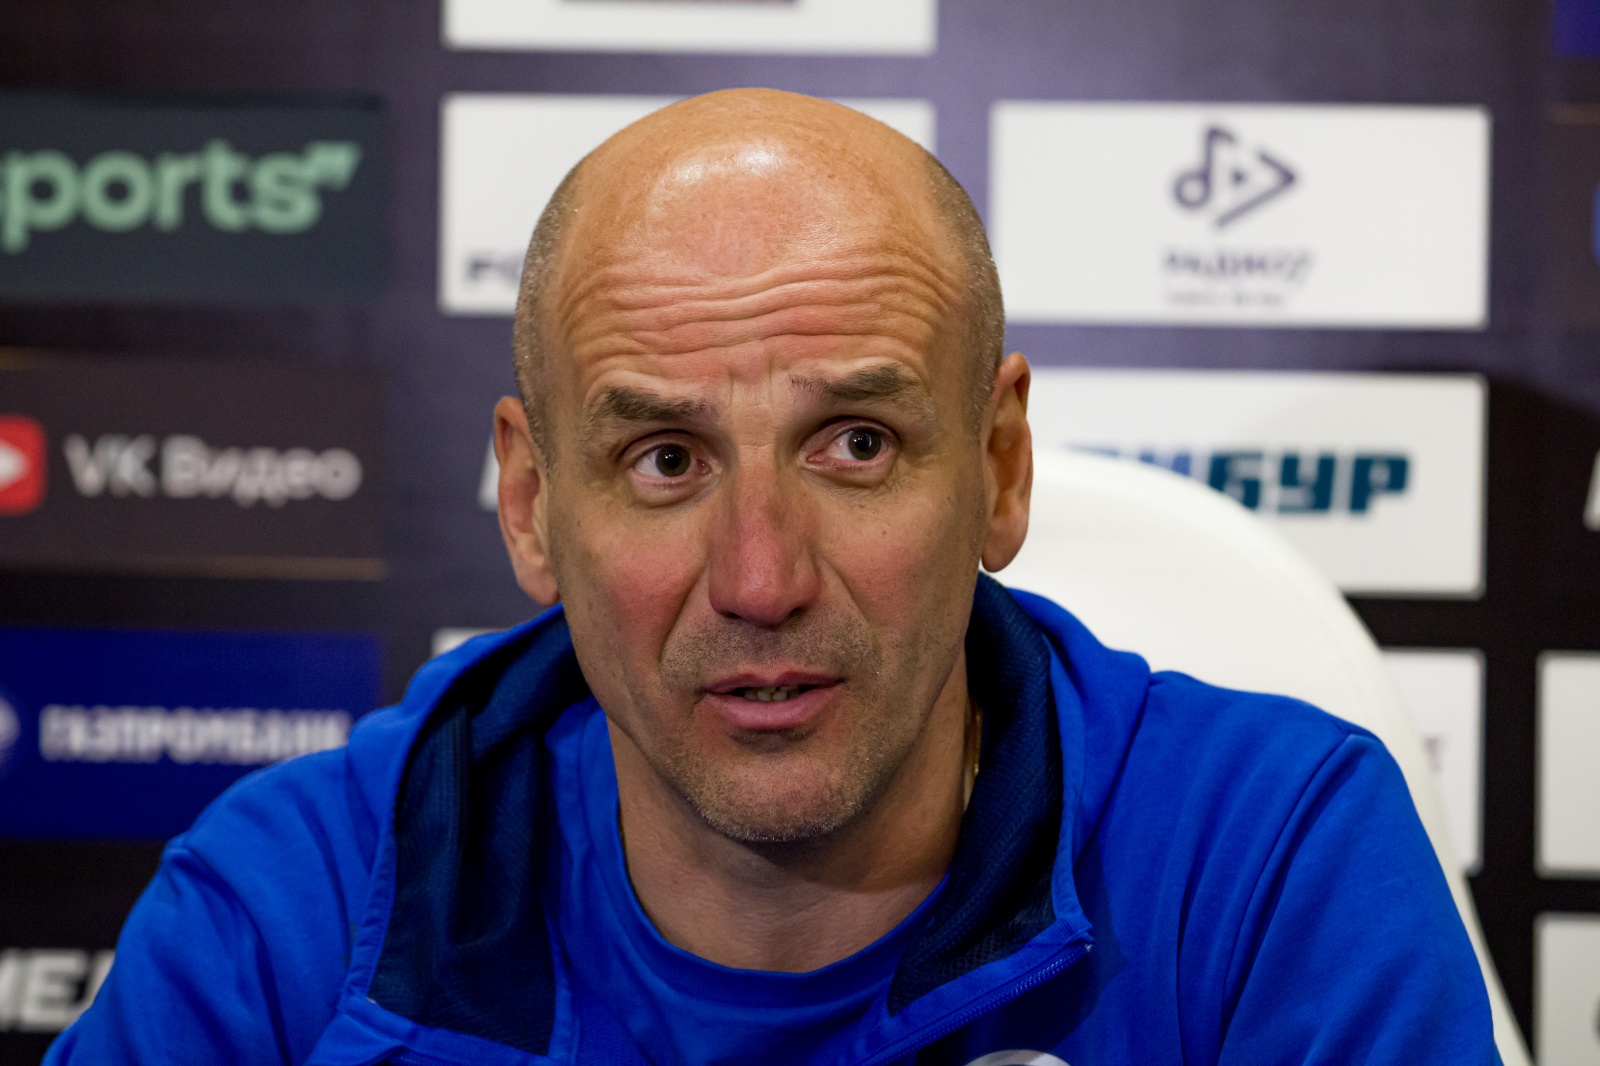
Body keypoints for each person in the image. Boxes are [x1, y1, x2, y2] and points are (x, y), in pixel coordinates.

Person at [48, 89, 1496, 1066]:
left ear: (999, 468)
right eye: (664, 460)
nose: (760, 577)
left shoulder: (1271, 862)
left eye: (856, 444)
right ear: (532, 502)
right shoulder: (290, 912)